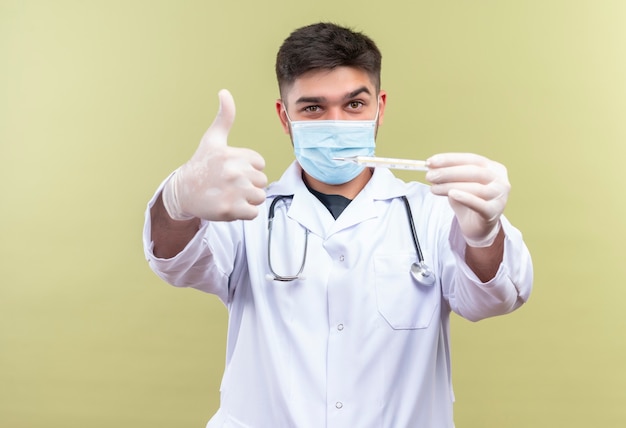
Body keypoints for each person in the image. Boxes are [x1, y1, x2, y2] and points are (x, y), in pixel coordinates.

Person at [143, 22, 533, 428]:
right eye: (313, 108)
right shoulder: (249, 213)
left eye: (354, 105)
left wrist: (485, 236)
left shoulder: (433, 214)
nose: (337, 123)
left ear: (380, 107)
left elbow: (495, 299)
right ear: (285, 116)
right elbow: (176, 262)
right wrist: (177, 201)